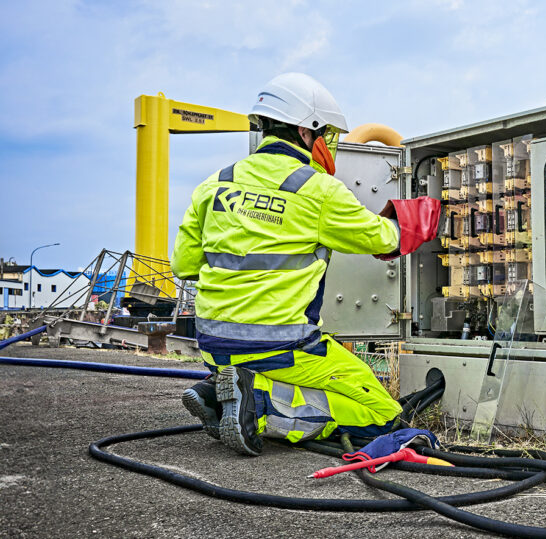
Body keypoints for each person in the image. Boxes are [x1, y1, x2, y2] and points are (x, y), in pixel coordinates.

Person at [171, 72, 439, 456]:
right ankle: (258, 405)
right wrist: (422, 215)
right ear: (304, 131)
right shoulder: (316, 190)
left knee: (319, 383)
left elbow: (184, 264)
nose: (328, 144)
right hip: (282, 347)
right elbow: (385, 238)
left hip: (213, 342)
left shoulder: (216, 184)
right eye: (325, 134)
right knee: (379, 415)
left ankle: (219, 390)